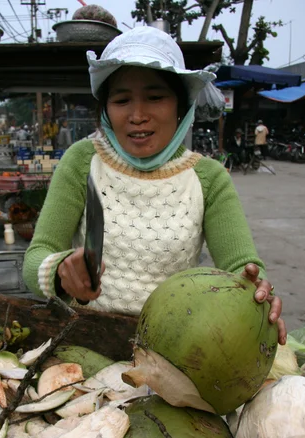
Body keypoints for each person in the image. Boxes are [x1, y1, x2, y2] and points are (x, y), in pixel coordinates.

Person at [23, 27, 285, 344]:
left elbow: (241, 266)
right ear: (105, 110)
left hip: (176, 348)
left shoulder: (209, 177)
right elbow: (37, 256)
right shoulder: (82, 161)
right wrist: (61, 272)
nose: (137, 115)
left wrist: (259, 292)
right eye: (121, 100)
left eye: (155, 97)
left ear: (181, 107)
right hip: (85, 339)